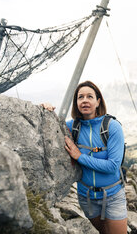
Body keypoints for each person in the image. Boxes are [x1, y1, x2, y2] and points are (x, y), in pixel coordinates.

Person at [42, 80, 127, 234]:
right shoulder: (72, 127)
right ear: (76, 102)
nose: (85, 100)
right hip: (86, 196)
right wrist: (46, 109)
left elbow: (113, 166)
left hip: (113, 195)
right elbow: (50, 125)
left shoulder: (112, 127)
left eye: (90, 96)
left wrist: (79, 156)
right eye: (80, 97)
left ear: (98, 101)